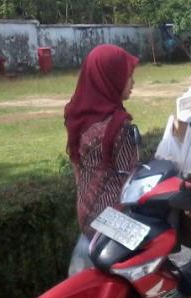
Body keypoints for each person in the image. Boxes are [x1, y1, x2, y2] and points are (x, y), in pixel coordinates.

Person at [64, 44, 139, 276]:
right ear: (112, 78)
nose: (133, 83)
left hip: (85, 214)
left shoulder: (75, 115)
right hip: (113, 222)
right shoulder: (119, 126)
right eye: (128, 76)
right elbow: (131, 181)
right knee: (162, 236)